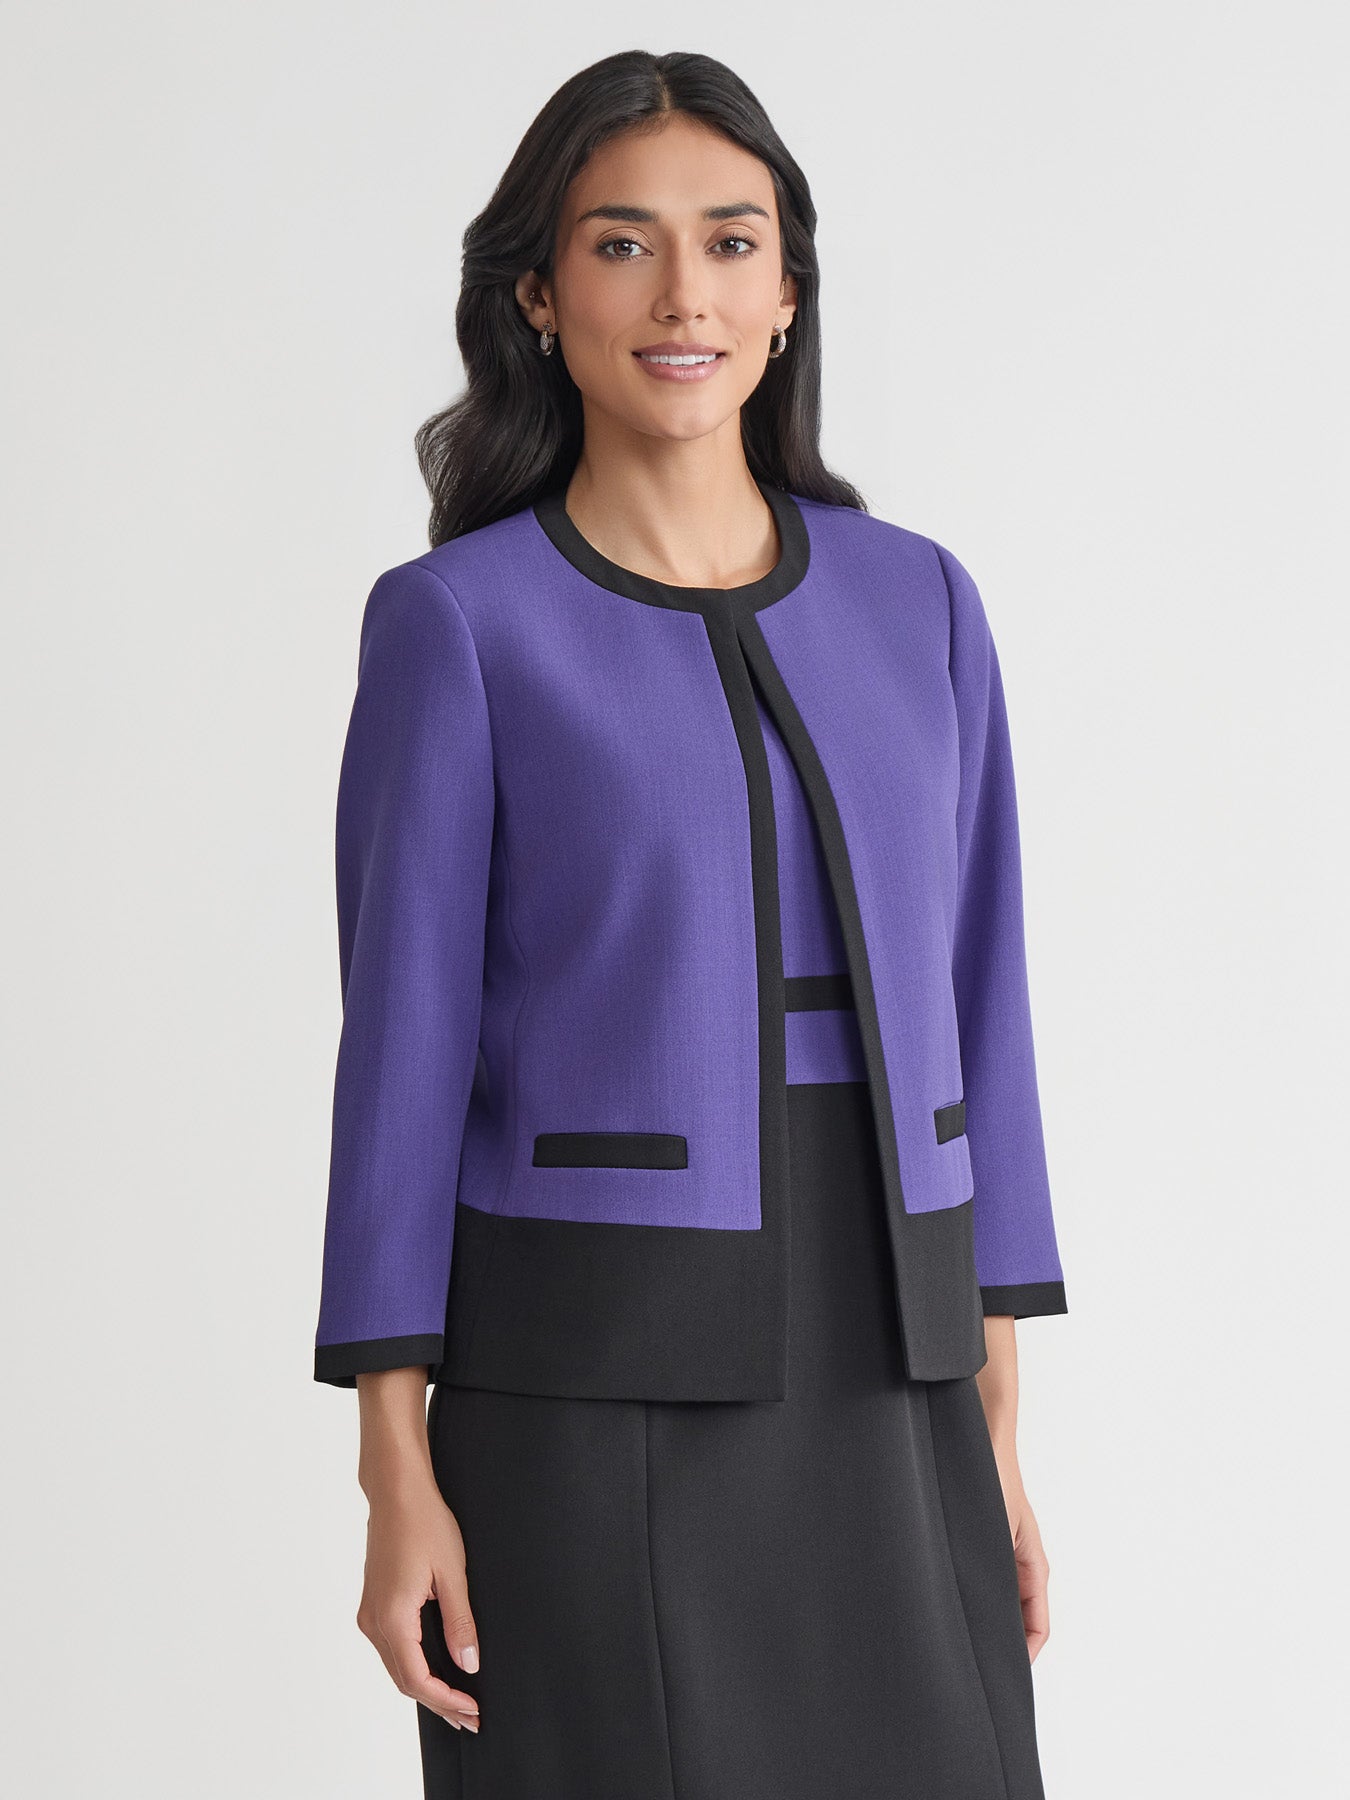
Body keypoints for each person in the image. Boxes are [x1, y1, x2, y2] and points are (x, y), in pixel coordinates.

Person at [313, 48, 1069, 1800]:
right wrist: (392, 1468)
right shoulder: (458, 624)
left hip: (894, 1372)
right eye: (621, 244)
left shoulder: (917, 601)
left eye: (730, 243)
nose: (683, 296)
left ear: (788, 292)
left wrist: (997, 1427)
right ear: (536, 293)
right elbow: (402, 1060)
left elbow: (984, 1006)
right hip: (585, 1384)